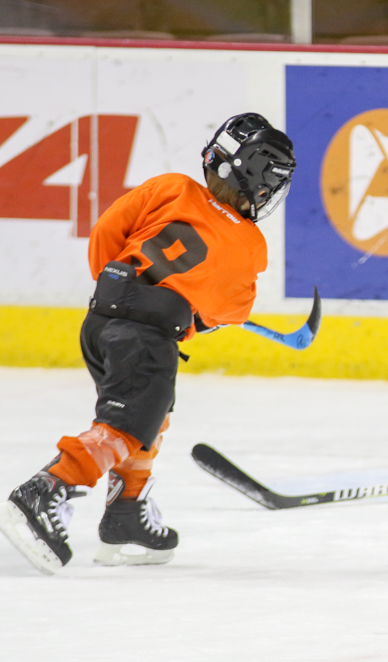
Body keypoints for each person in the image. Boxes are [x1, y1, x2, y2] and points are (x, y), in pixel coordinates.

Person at [0, 113, 295, 574]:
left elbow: (106, 236)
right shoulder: (249, 242)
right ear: (257, 179)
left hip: (102, 319)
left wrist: (121, 293)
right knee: (128, 426)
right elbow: (226, 312)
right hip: (149, 336)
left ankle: (125, 514)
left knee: (149, 417)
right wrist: (181, 318)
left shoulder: (171, 187)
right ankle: (47, 489)